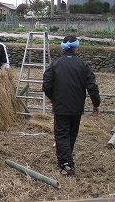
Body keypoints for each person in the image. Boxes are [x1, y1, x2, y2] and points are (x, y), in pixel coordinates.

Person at [42, 35, 100, 176]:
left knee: (61, 135)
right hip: (76, 106)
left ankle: (67, 165)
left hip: (61, 106)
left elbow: (46, 84)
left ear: (63, 48)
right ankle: (64, 162)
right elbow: (92, 86)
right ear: (76, 48)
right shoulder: (83, 65)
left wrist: (52, 98)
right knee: (71, 135)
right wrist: (96, 103)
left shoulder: (56, 64)